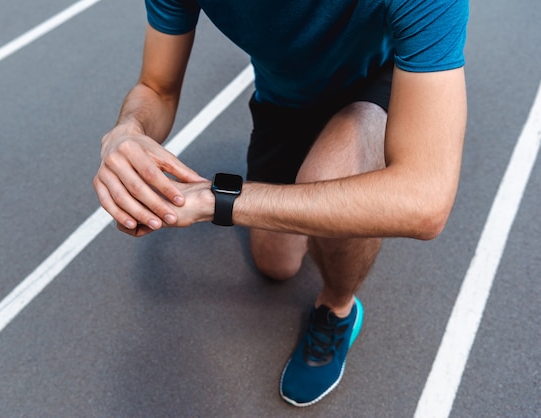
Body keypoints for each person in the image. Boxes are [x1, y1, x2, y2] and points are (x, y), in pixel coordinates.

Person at [93, 0, 469, 407]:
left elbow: (427, 200)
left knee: (331, 174)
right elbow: (156, 88)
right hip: (285, 101)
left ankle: (338, 307)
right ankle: (340, 195)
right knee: (276, 265)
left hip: (376, 82)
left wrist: (219, 202)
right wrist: (127, 129)